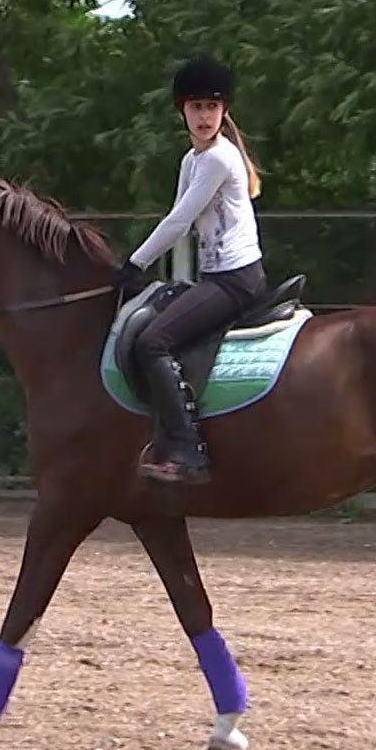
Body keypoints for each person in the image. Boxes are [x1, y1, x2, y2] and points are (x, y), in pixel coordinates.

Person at [111, 53, 267, 485]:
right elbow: (182, 225)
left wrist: (134, 263)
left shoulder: (219, 159)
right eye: (197, 107)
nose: (205, 116)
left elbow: (178, 221)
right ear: (182, 110)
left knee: (154, 343)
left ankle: (187, 450)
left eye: (212, 107)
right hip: (212, 276)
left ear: (223, 111)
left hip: (237, 279)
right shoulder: (192, 160)